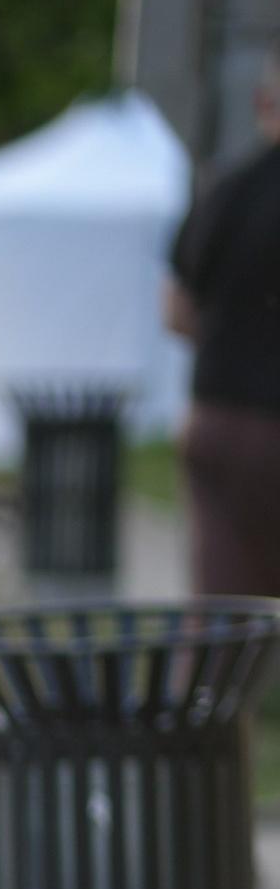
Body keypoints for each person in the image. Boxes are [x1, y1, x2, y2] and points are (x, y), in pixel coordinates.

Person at [167, 56, 280, 594]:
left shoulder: (220, 189)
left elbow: (175, 313)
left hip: (209, 422)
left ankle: (214, 682)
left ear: (263, 103)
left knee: (224, 621)